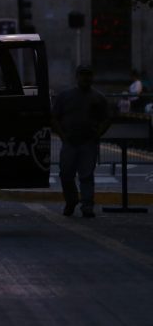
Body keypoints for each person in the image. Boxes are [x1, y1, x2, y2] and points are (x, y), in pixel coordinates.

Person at [52, 65, 111, 218]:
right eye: (83, 75)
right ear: (77, 77)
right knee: (66, 174)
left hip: (87, 142)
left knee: (86, 175)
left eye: (88, 75)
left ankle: (87, 206)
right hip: (70, 141)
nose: (86, 78)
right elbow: (54, 118)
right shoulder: (64, 96)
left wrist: (97, 135)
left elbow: (107, 119)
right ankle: (72, 201)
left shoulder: (98, 98)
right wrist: (63, 136)